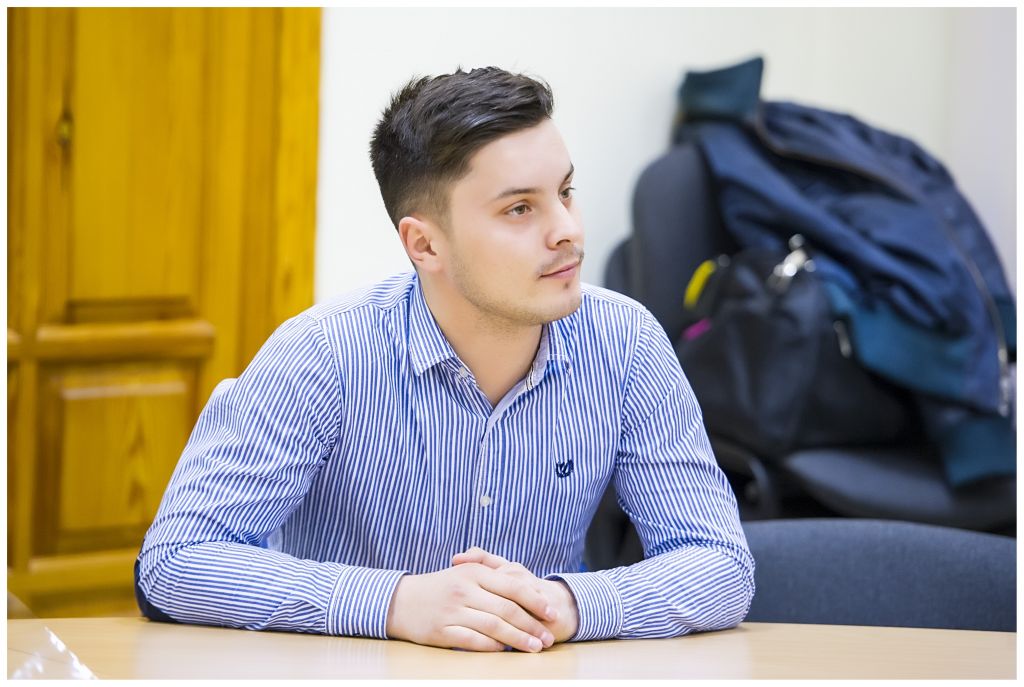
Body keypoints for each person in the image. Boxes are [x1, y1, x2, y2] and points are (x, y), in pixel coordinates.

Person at [135, 66, 754, 653]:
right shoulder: (323, 354)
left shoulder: (626, 343)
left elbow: (721, 564)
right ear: (425, 245)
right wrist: (395, 603)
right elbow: (176, 561)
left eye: (566, 192)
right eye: (520, 209)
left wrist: (567, 604)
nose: (567, 230)